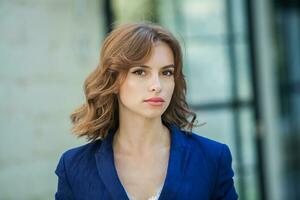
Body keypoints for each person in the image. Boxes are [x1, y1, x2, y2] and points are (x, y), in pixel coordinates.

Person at [55, 22, 238, 200]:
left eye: (166, 73)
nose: (157, 86)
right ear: (114, 80)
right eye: (140, 72)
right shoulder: (73, 167)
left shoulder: (212, 158)